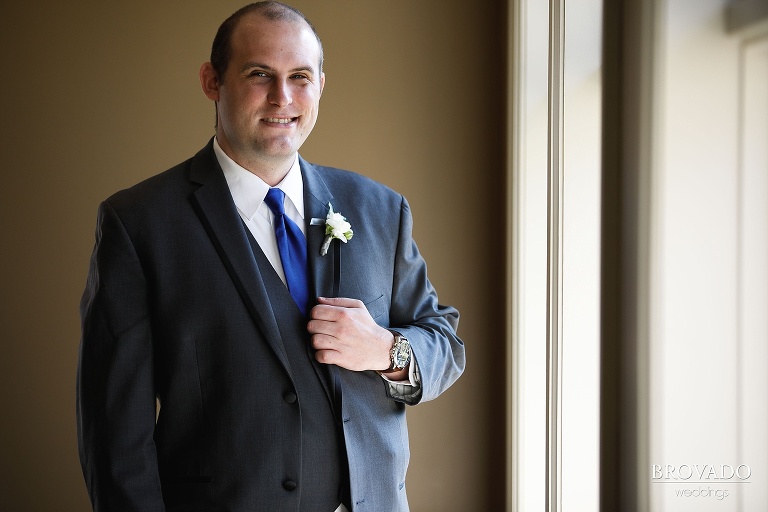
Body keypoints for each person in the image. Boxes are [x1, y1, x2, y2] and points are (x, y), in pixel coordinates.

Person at [76, 2, 465, 511]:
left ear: (321, 85)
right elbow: (115, 437)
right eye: (260, 74)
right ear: (212, 80)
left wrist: (385, 351)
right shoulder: (139, 223)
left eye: (300, 76)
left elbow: (445, 342)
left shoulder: (379, 209)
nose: (283, 97)